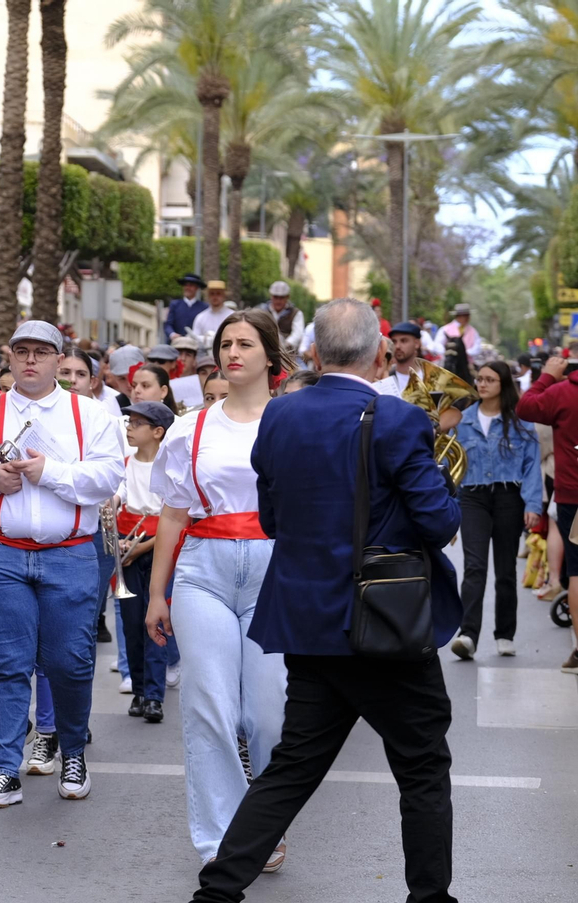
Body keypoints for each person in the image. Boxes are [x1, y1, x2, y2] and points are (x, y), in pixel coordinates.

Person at [191, 298, 462, 903]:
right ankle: (430, 897)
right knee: (422, 767)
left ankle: (217, 890)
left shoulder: (281, 418)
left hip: (309, 622)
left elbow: (273, 517)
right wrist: (442, 472)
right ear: (379, 354)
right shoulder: (398, 419)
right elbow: (440, 523)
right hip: (387, 624)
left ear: (313, 352)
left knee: (293, 767)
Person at [0, 321, 123, 807]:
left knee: (70, 662)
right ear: (11, 357)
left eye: (41, 352)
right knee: (6, 664)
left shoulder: (89, 414)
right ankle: (5, 770)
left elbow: (108, 476)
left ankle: (74, 752)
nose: (31, 361)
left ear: (59, 360)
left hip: (70, 553)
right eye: (22, 351)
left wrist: (50, 473)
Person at [146, 308, 291, 868]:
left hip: (275, 569)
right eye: (225, 343)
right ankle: (222, 841)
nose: (232, 353)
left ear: (270, 358)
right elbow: (172, 516)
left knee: (269, 714)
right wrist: (157, 595)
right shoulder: (190, 427)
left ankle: (266, 822)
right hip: (202, 569)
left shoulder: (290, 420)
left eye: (245, 344)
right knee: (208, 707)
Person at [446, 361, 541, 660]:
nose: (482, 384)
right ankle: (468, 634)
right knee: (474, 567)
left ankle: (505, 634)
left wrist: (533, 504)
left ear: (503, 384)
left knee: (505, 570)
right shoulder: (463, 420)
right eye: (479, 379)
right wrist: (449, 508)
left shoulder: (521, 422)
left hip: (508, 497)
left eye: (489, 379)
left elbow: (531, 465)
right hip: (472, 497)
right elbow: (452, 467)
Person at [517, 350, 578, 673]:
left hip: (572, 492)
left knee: (577, 572)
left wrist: (547, 376)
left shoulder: (562, 391)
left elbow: (525, 406)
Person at [116, 400, 172, 722]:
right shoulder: (124, 464)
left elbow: (173, 518)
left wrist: (142, 546)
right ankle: (138, 690)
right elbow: (118, 497)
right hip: (127, 544)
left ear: (157, 431)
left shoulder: (168, 468)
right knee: (131, 624)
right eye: (129, 422)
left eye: (137, 424)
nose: (129, 429)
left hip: (156, 546)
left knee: (156, 622)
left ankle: (154, 696)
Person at [259, 281, 305, 356]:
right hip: (265, 351)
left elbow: (298, 334)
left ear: (287, 297)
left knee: (301, 367)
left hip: (289, 354)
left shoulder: (296, 313)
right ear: (271, 296)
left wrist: (285, 345)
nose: (278, 301)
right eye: (275, 297)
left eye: (281, 297)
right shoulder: (262, 311)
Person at [165, 273, 208, 341]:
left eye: (191, 285)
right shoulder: (175, 305)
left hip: (195, 345)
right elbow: (168, 325)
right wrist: (172, 334)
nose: (187, 288)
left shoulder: (204, 307)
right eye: (185, 285)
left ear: (196, 288)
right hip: (176, 343)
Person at [189, 281, 232, 345]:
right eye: (212, 294)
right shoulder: (200, 317)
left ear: (224, 295)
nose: (215, 297)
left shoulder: (231, 316)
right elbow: (195, 340)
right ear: (208, 296)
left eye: (218, 294)